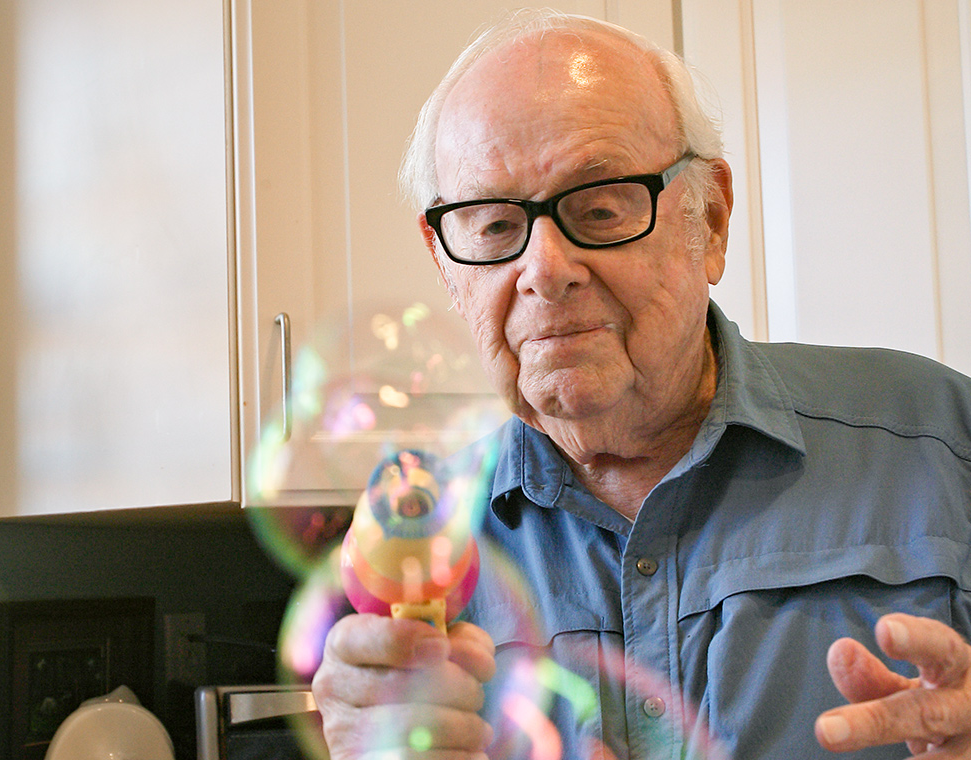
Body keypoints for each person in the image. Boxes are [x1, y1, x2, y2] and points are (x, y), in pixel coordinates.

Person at [311, 10, 971, 760]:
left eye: (599, 208)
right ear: (446, 266)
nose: (545, 269)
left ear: (710, 221)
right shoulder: (412, 533)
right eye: (493, 228)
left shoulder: (946, 444)